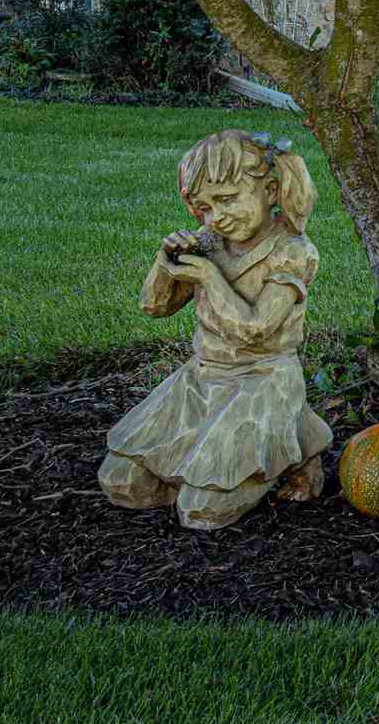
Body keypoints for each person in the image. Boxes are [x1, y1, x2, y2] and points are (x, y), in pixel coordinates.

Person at [98, 129, 332, 530]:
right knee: (121, 484)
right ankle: (212, 470)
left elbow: (256, 329)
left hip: (261, 382)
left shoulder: (291, 251)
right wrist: (166, 262)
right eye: (203, 208)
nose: (215, 217)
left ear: (271, 190)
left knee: (201, 513)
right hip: (202, 378)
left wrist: (208, 276)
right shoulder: (212, 241)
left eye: (226, 200)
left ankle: (277, 458)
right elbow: (155, 306)